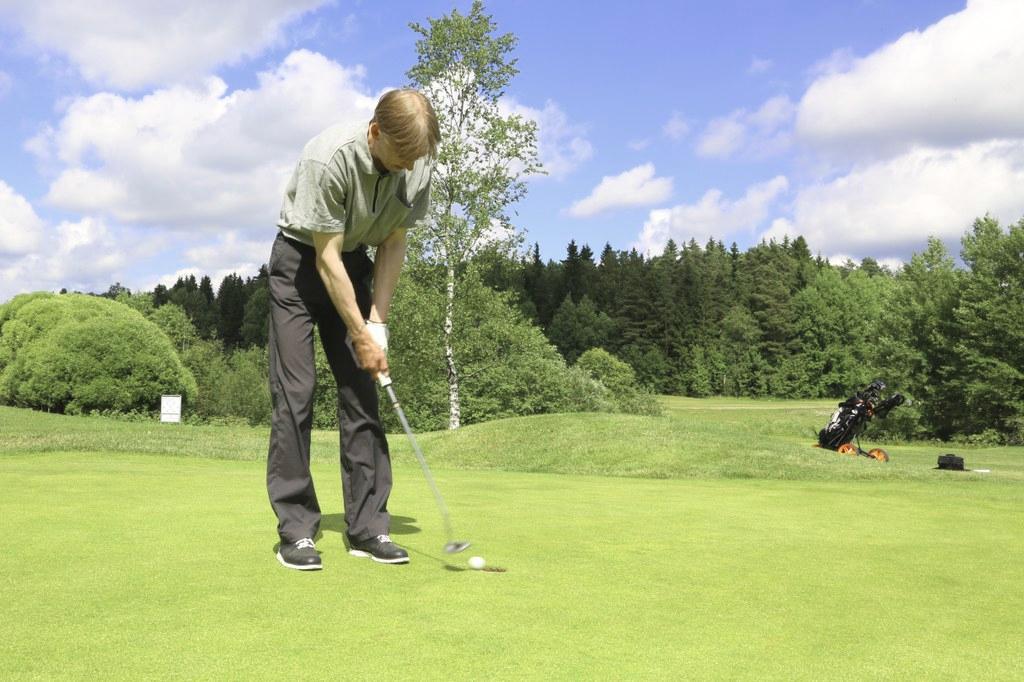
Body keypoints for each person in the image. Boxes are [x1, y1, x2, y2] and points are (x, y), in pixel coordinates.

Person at [266, 89, 439, 570]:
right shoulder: (330, 159)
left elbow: (394, 239)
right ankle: (297, 531)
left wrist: (377, 322)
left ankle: (367, 528)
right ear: (376, 131)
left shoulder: (417, 161)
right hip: (300, 265)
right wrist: (357, 331)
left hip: (356, 262)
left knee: (363, 393)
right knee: (296, 394)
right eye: (401, 156)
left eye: (417, 158)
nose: (409, 167)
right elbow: (325, 256)